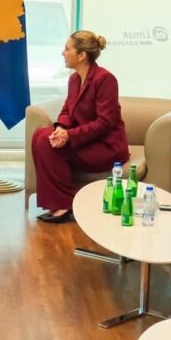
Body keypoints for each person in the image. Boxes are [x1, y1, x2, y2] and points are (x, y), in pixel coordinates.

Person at [29, 31, 130, 224]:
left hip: (105, 147)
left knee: (44, 141)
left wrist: (69, 135)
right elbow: (67, 109)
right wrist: (61, 129)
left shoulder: (105, 79)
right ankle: (61, 203)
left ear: (82, 55)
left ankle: (66, 204)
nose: (63, 53)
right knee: (41, 135)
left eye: (67, 49)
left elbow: (105, 122)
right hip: (83, 141)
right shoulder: (74, 79)